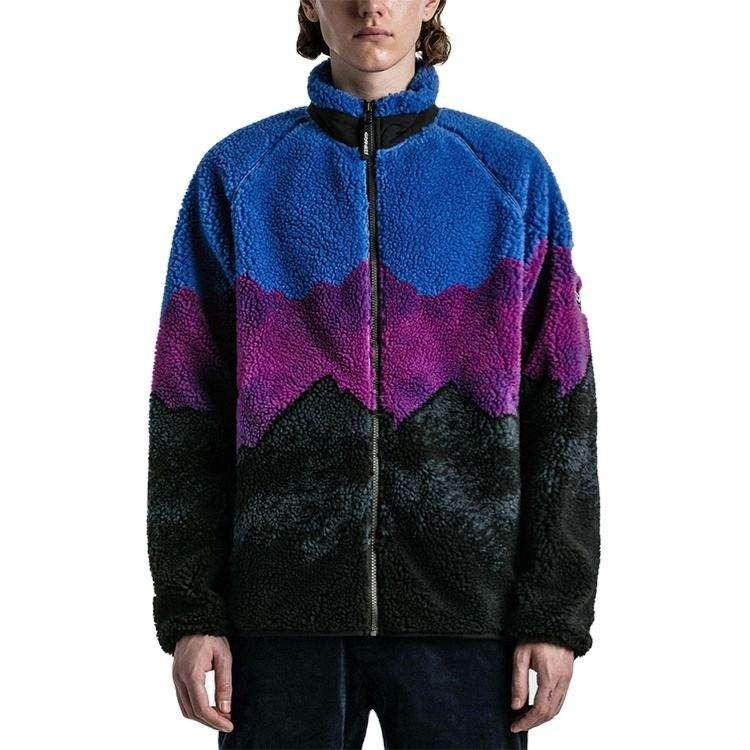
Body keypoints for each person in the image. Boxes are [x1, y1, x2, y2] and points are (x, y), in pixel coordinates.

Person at [146, 1, 601, 747]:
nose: (372, 5)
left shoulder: (511, 176)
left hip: (470, 617)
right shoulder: (237, 177)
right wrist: (192, 609)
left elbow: (564, 409)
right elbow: (186, 407)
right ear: (309, 4)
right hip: (278, 620)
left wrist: (554, 611)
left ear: (432, 4)